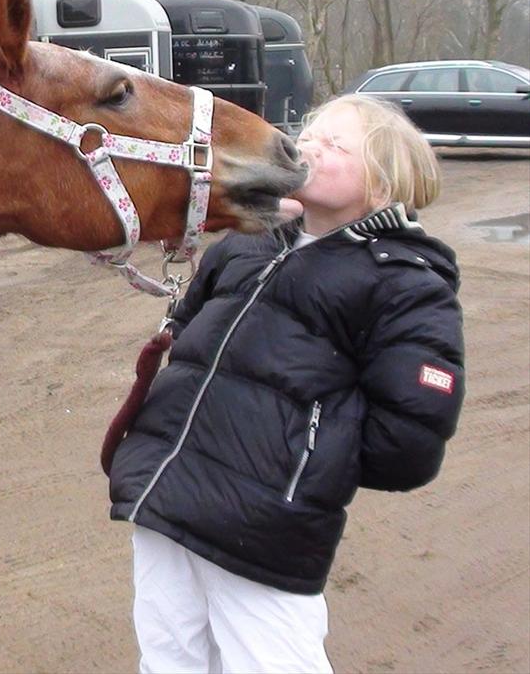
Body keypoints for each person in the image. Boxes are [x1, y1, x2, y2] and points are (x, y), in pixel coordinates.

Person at [107, 94, 465, 673]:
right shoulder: (248, 242)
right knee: (169, 660)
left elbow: (409, 445)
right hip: (166, 495)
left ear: (382, 182)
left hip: (261, 529)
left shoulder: (406, 283)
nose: (307, 147)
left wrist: (293, 466)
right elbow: (187, 328)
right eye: (311, 134)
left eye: (336, 144)